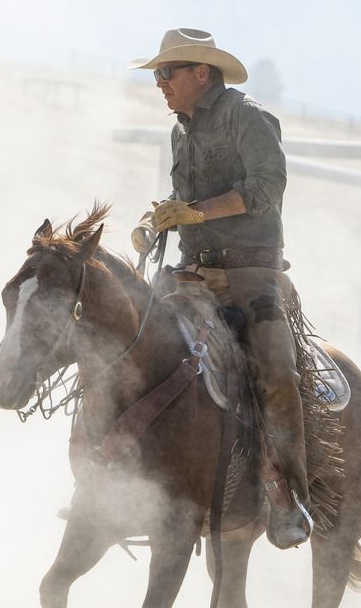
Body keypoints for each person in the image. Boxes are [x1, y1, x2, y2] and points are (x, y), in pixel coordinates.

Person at [128, 28, 312, 549]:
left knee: (275, 371)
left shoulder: (246, 116)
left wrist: (196, 211)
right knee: (133, 344)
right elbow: (182, 196)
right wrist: (157, 218)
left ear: (200, 73)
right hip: (191, 272)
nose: (159, 83)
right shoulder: (180, 131)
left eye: (166, 73)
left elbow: (266, 188)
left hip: (250, 274)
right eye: (157, 75)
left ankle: (289, 499)